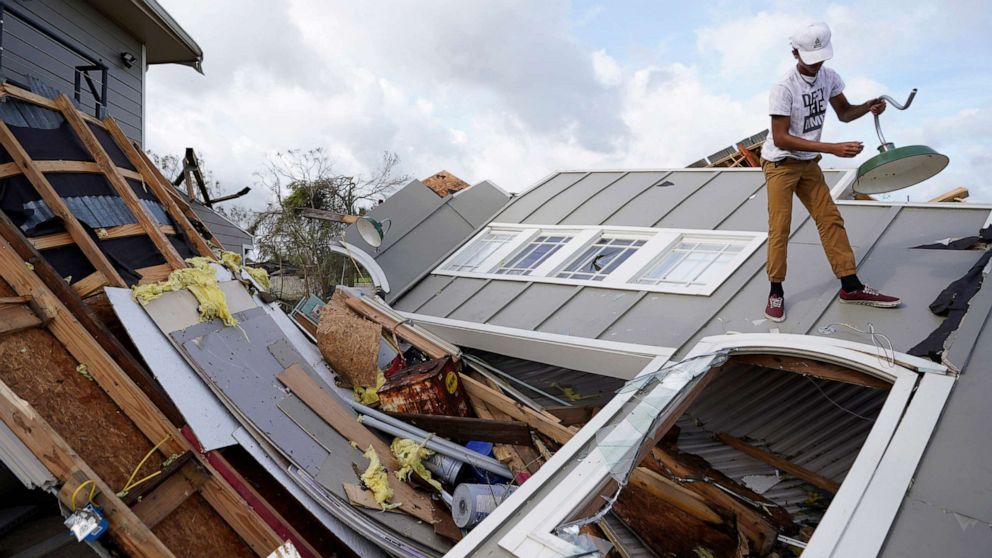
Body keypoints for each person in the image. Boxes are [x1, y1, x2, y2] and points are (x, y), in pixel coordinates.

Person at [760, 21, 900, 322]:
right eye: (810, 59)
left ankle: (850, 286)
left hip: (808, 162)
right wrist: (831, 148)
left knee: (830, 219)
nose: (816, 64)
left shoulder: (830, 77)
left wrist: (868, 107)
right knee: (780, 227)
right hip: (780, 164)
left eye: (821, 58)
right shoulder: (783, 87)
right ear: (795, 53)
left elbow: (845, 113)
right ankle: (776, 290)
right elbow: (781, 136)